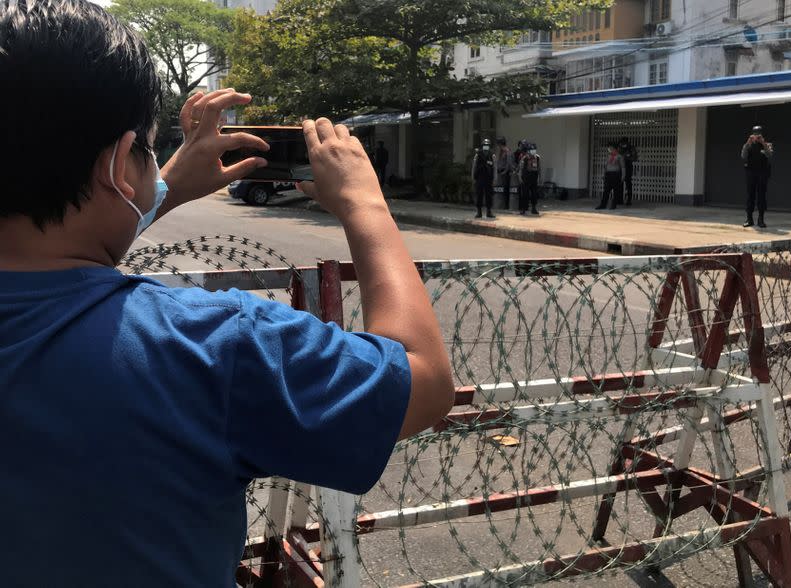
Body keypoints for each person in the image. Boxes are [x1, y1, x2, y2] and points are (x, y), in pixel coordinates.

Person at [0, 2, 455, 587]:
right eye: (146, 151)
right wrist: (366, 204)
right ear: (118, 165)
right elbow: (423, 382)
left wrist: (158, 189)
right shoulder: (214, 344)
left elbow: (49, 254)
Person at [741, 125, 774, 228]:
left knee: (761, 196)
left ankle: (761, 219)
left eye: (758, 134)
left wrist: (763, 143)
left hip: (762, 173)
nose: (757, 136)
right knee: (750, 196)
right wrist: (748, 143)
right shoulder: (748, 145)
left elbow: (769, 155)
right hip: (751, 173)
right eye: (755, 134)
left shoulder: (767, 144)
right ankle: (749, 219)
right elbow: (743, 156)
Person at [596, 141, 626, 210]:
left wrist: (623, 176)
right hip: (608, 175)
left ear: (614, 148)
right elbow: (605, 166)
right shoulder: (608, 156)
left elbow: (623, 167)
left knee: (616, 191)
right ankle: (603, 205)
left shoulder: (619, 156)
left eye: (610, 148)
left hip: (616, 175)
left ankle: (613, 205)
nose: (609, 149)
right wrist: (604, 174)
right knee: (606, 191)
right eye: (609, 148)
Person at [472, 139, 496, 219]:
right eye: (485, 145)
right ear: (482, 146)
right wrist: (473, 177)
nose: (486, 147)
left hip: (489, 178)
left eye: (487, 145)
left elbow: (494, 168)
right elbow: (474, 166)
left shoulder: (492, 155)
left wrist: (495, 179)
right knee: (479, 195)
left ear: (489, 147)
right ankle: (479, 212)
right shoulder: (478, 155)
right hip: (479, 178)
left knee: (489, 195)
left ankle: (489, 212)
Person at [518, 143, 541, 216]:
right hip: (526, 177)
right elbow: (521, 168)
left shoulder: (537, 157)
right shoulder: (525, 158)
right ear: (528, 151)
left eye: (534, 149)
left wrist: (539, 178)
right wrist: (520, 177)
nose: (533, 151)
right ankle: (523, 209)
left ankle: (534, 208)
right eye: (532, 150)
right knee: (525, 194)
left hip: (534, 177)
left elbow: (539, 168)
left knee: (534, 194)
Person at [495, 136, 515, 210]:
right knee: (501, 189)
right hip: (500, 172)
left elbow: (509, 163)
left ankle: (506, 205)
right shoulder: (501, 151)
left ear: (500, 144)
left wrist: (505, 171)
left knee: (505, 189)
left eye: (498, 144)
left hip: (505, 172)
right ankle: (502, 205)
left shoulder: (507, 151)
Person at [618, 136, 638, 206]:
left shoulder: (631, 148)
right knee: (619, 183)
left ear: (626, 142)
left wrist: (627, 157)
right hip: (620, 167)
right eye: (621, 143)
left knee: (628, 184)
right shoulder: (619, 148)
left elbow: (635, 158)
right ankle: (619, 199)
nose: (622, 144)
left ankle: (628, 200)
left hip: (628, 167)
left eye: (623, 143)